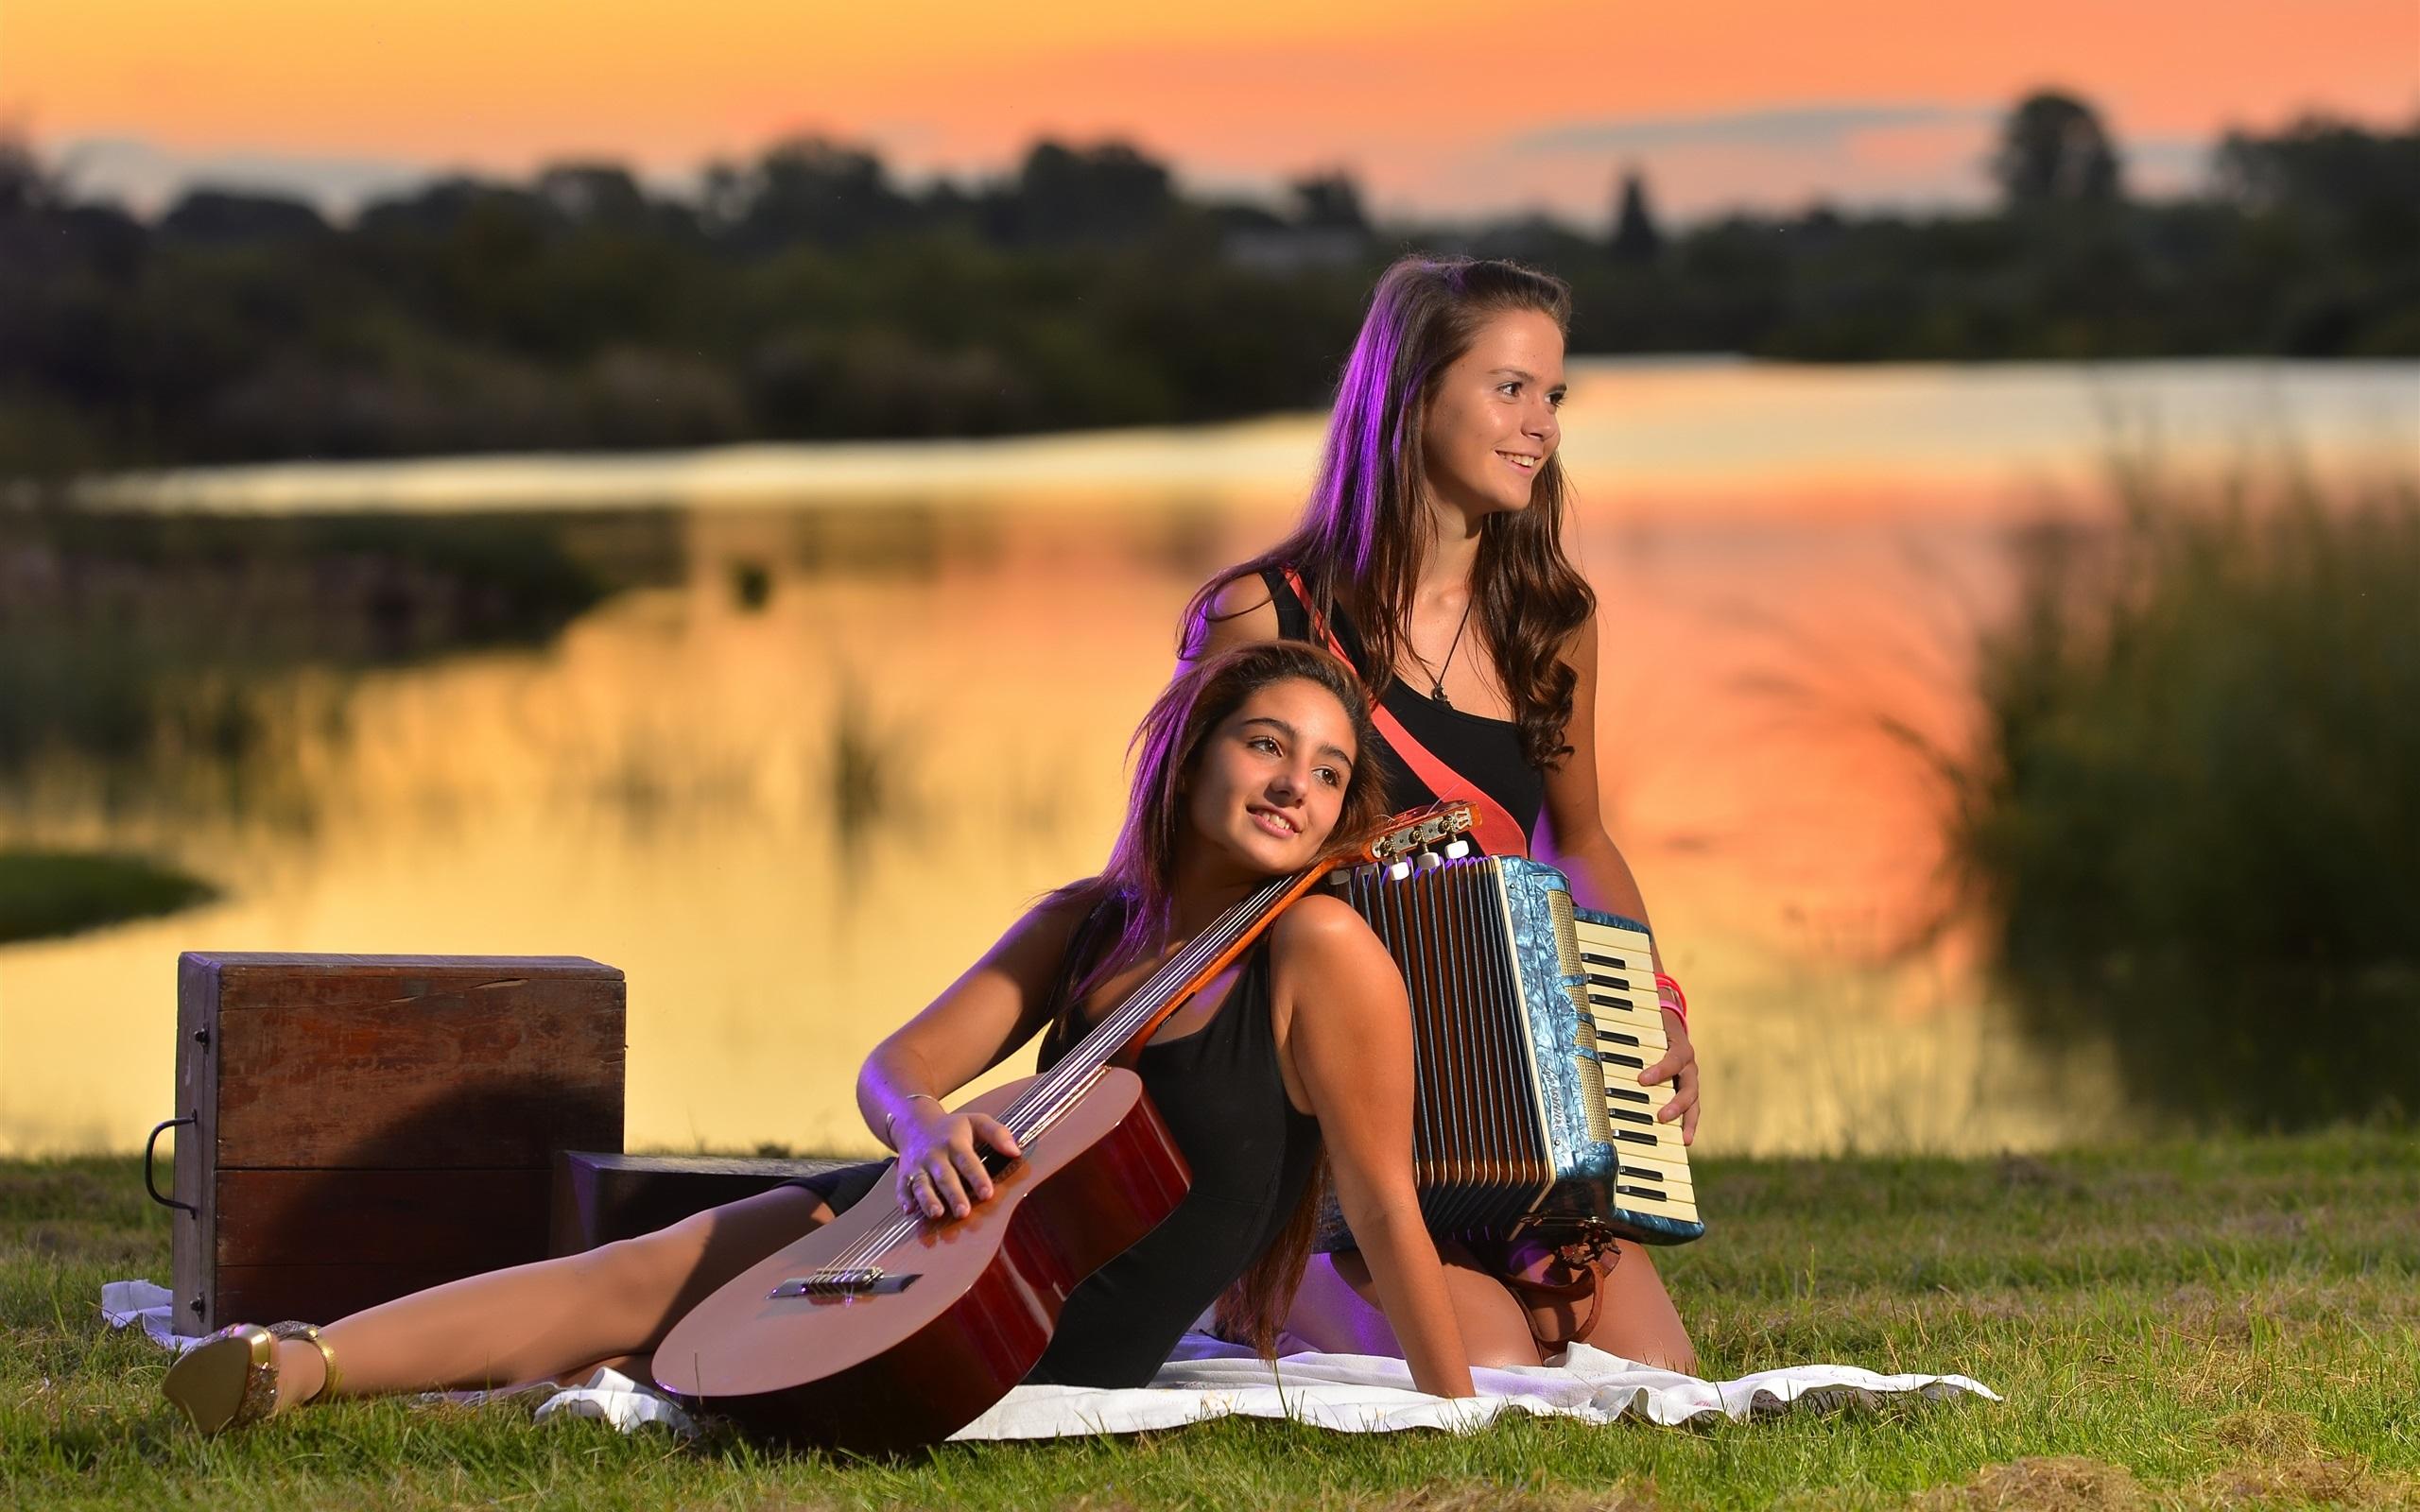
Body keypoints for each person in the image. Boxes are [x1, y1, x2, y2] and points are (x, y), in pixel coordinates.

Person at [161, 642, 1480, 1434]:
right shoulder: (1089, 921)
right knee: (648, 1267)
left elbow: (1386, 1205)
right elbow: (893, 1067)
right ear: (1190, 760)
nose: (1292, 788)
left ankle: (513, 1371)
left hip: (1036, 1315)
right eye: (1264, 744)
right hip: (948, 1214)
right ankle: (298, 1364)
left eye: (1323, 771)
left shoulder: (1324, 958)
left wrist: (1454, 1422)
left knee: (700, 1341)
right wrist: (925, 1133)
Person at [1181, 254, 1702, 1372]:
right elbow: (1180, 881)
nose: (1541, 427)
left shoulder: (1549, 622)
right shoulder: (1264, 617)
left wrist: (1650, 1005)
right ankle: (1245, 1276)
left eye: (1553, 397)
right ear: (1411, 393)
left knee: (1659, 1379)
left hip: (1503, 1119)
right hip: (1317, 1125)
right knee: (1503, 1371)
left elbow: (1577, 836)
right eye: (1509, 389)